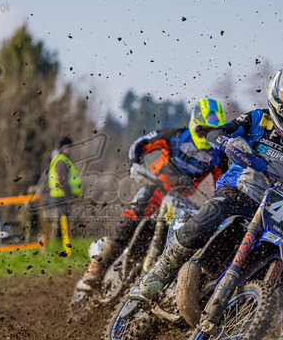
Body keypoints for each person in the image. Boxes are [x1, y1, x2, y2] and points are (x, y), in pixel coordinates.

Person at [139, 65, 283, 340]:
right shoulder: (257, 120)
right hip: (238, 192)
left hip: (273, 209)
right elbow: (217, 132)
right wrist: (227, 143)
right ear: (277, 104)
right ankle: (161, 271)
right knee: (212, 213)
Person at [79, 98, 230, 290]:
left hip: (181, 199)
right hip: (156, 188)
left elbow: (223, 183)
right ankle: (97, 267)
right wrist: (134, 163)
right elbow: (140, 143)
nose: (206, 136)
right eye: (203, 130)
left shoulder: (217, 154)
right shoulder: (175, 136)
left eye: (211, 132)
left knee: (188, 232)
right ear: (194, 124)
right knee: (131, 217)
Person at [47, 136, 83, 251]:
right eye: (69, 147)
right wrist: (70, 196)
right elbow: (63, 181)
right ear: (63, 148)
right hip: (62, 196)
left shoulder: (61, 159)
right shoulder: (61, 160)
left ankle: (60, 246)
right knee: (62, 221)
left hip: (61, 196)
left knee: (61, 221)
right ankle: (62, 246)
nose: (70, 150)